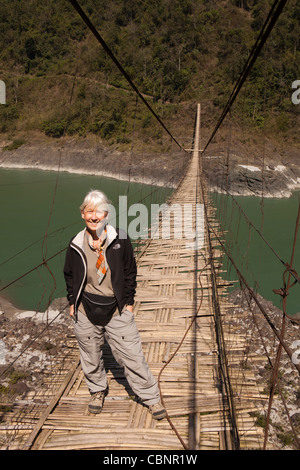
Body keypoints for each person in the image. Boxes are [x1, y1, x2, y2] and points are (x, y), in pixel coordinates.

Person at [63, 189, 166, 419]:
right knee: (89, 353)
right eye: (89, 211)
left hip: (117, 308)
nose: (94, 216)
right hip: (85, 308)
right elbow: (69, 275)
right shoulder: (76, 244)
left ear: (107, 215)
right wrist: (72, 302)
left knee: (131, 354)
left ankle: (151, 397)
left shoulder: (121, 239)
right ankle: (97, 391)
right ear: (82, 214)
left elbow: (130, 272)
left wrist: (129, 303)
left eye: (99, 211)